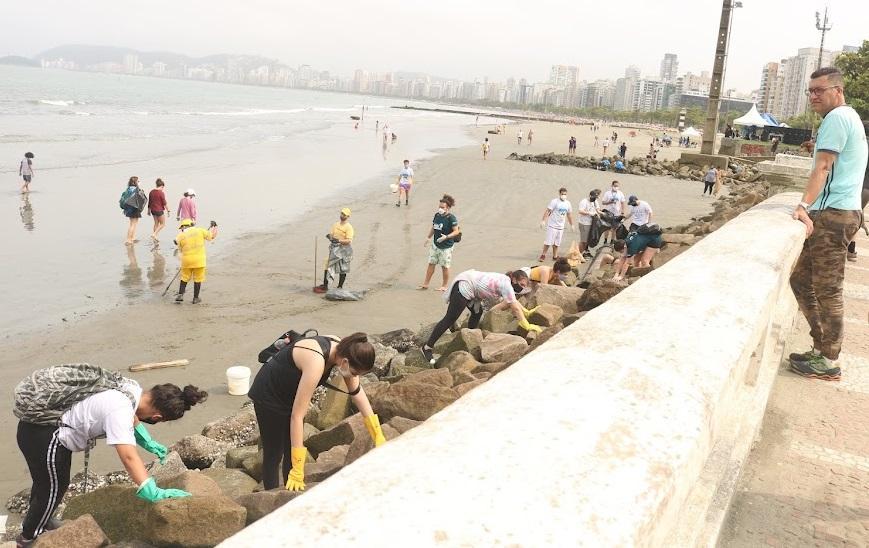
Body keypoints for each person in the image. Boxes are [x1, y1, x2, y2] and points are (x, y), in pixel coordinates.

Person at [14, 365, 206, 546]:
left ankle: (43, 521)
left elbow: (133, 416)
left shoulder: (131, 389)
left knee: (47, 484)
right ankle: (29, 538)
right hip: (44, 436)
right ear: (157, 417)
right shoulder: (120, 410)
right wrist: (152, 490)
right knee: (52, 487)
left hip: (37, 430)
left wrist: (148, 442)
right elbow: (128, 457)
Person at [788, 67, 868, 381]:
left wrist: (802, 205)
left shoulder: (837, 118)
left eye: (819, 90)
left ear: (838, 89)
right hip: (838, 212)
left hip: (833, 215)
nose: (813, 97)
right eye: (810, 91)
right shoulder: (850, 118)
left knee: (829, 290)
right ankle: (821, 347)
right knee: (800, 280)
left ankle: (829, 360)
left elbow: (822, 167)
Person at [248, 332, 384, 491]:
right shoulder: (316, 361)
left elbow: (357, 393)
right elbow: (297, 417)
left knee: (292, 447)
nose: (354, 377)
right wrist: (298, 470)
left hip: (291, 393)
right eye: (355, 373)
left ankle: (289, 493)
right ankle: (271, 499)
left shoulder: (345, 350)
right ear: (345, 362)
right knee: (274, 452)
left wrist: (377, 434)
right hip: (269, 395)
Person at [419, 269, 542, 364]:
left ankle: (470, 338)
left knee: (477, 313)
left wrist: (527, 312)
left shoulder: (506, 281)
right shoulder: (506, 285)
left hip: (471, 286)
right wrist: (526, 325)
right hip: (464, 286)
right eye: (521, 284)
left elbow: (514, 302)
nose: (521, 288)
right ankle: (427, 347)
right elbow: (514, 306)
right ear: (514, 279)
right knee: (450, 318)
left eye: (524, 286)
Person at [419, 194, 459, 291]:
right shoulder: (437, 215)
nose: (440, 209)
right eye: (439, 207)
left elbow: (456, 231)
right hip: (435, 245)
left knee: (444, 266)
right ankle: (426, 283)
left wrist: (446, 237)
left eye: (442, 207)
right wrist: (428, 238)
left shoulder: (451, 218)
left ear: (448, 208)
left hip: (446, 247)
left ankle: (444, 285)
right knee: (431, 263)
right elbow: (434, 227)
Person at [174, 219, 218, 304]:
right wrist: (215, 227)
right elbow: (212, 236)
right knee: (198, 278)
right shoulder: (200, 230)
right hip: (199, 260)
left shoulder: (181, 235)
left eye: (182, 228)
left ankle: (180, 294)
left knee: (184, 277)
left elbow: (180, 249)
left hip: (186, 260)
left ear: (184, 227)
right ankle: (195, 298)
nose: (181, 229)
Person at [315, 208, 354, 293]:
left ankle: (340, 287)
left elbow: (349, 240)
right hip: (334, 248)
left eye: (344, 215)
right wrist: (330, 237)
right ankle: (325, 285)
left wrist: (339, 240)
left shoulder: (349, 227)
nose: (342, 216)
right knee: (328, 264)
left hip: (344, 250)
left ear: (348, 216)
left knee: (343, 268)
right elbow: (332, 235)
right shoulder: (335, 224)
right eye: (341, 214)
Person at [539, 187, 574, 262]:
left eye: (565, 194)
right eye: (562, 194)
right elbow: (548, 211)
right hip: (552, 225)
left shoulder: (568, 203)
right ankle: (543, 255)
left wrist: (572, 225)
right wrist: (543, 221)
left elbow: (569, 214)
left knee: (557, 243)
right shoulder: (554, 201)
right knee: (548, 242)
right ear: (559, 194)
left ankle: (555, 256)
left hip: (560, 226)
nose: (563, 195)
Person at [120, 177, 146, 246]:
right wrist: (139, 187)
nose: (139, 182)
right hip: (134, 208)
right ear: (135, 182)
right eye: (138, 181)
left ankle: (132, 238)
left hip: (128, 209)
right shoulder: (135, 189)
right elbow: (141, 197)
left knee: (133, 223)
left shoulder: (128, 189)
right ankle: (128, 239)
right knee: (133, 224)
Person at [577, 189, 602, 255]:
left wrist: (602, 213)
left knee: (587, 240)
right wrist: (589, 213)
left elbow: (597, 209)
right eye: (593, 197)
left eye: (596, 197)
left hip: (591, 223)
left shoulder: (595, 201)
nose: (594, 199)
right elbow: (580, 211)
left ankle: (580, 254)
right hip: (584, 223)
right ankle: (578, 254)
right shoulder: (584, 201)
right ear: (590, 196)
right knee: (583, 241)